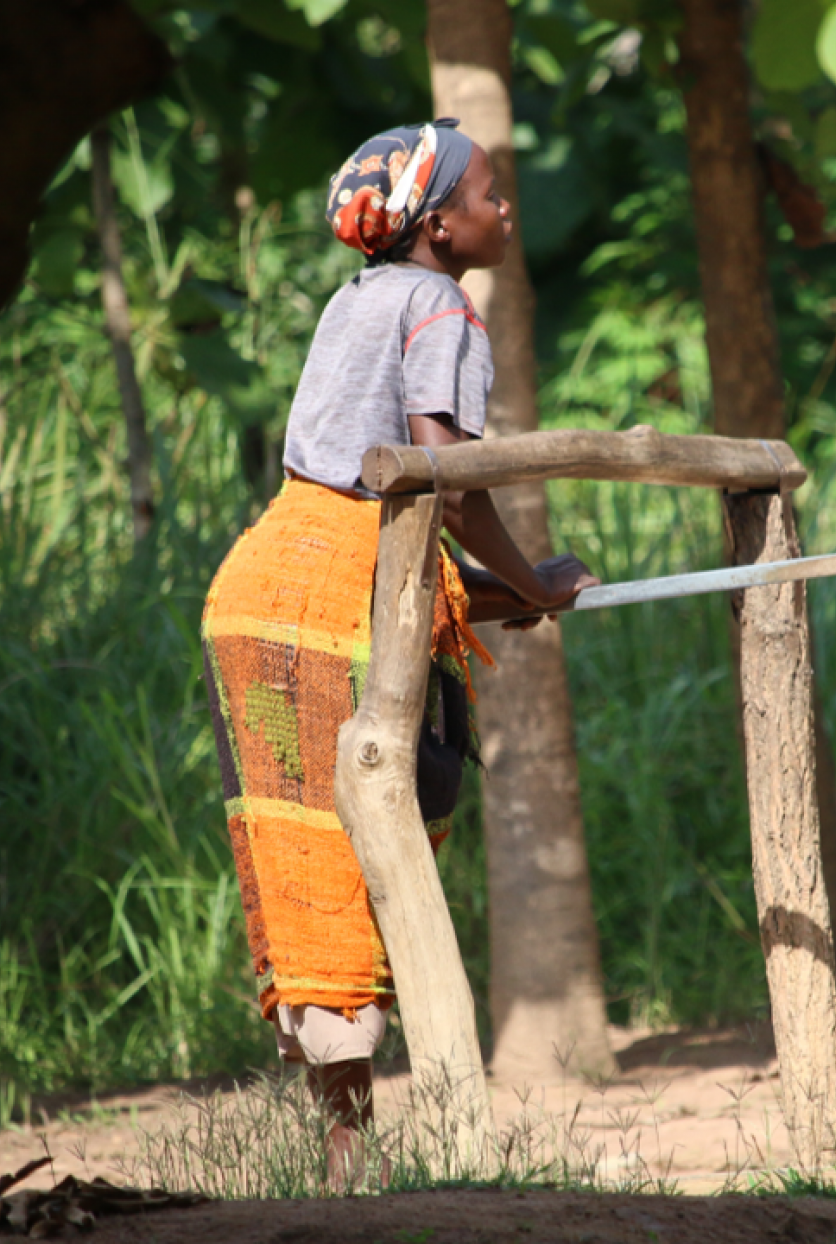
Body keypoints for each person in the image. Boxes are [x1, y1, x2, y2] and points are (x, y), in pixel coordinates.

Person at [199, 119, 595, 1187]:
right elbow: (443, 480)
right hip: (335, 592)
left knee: (305, 846)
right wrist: (530, 580)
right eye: (490, 197)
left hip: (256, 588)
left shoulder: (355, 300)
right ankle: (375, 1157)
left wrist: (491, 590)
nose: (505, 211)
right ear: (436, 226)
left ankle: (342, 1148)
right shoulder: (439, 307)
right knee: (374, 841)